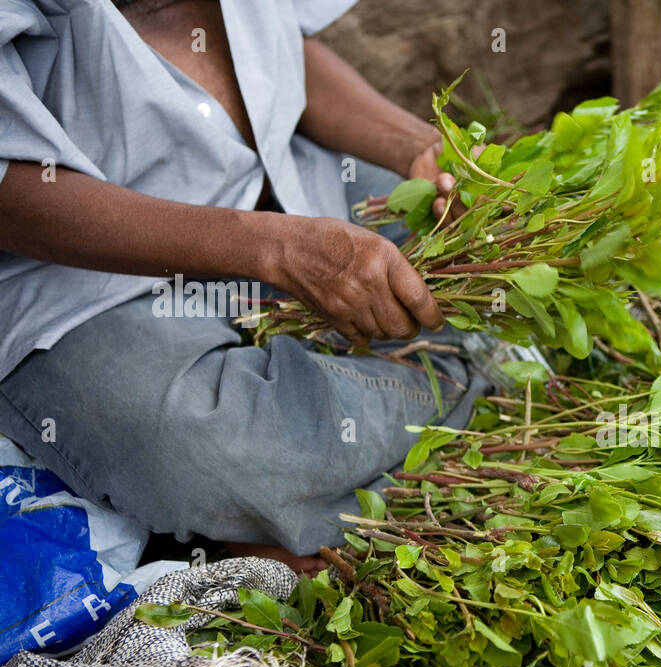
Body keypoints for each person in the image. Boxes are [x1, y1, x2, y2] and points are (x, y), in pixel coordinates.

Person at [0, 1, 492, 573]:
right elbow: (10, 192)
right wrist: (275, 249)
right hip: (86, 279)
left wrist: (416, 149)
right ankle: (457, 390)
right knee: (202, 450)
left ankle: (293, 496)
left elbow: (278, 50)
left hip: (290, 188)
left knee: (473, 267)